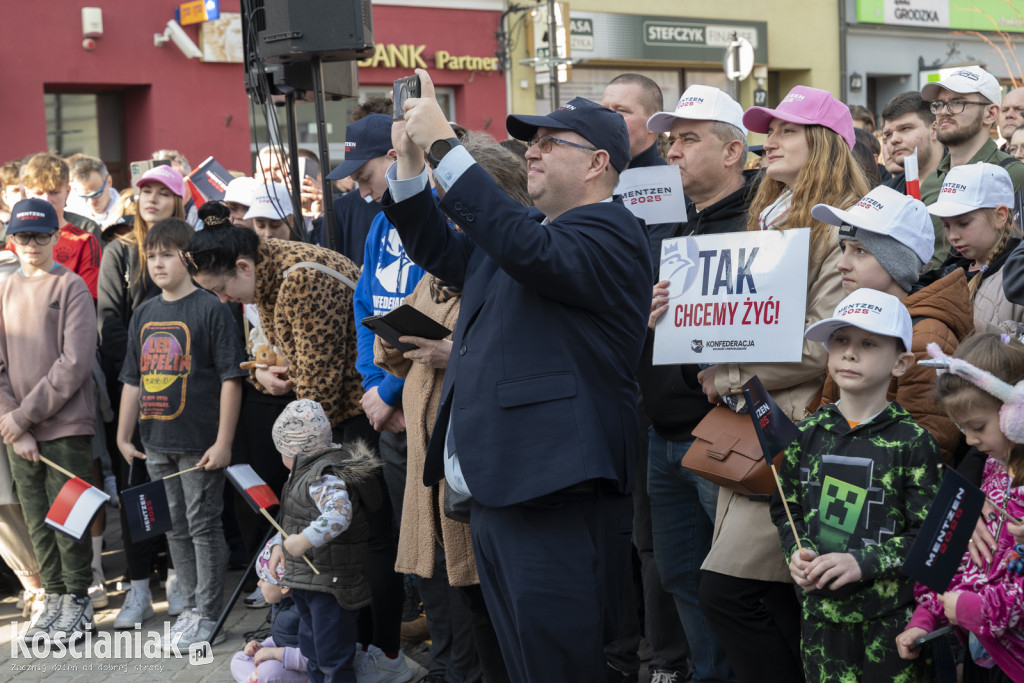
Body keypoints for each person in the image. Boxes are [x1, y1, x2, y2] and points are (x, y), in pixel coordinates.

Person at [386, 68, 651, 682]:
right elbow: (438, 247)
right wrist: (408, 162)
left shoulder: (614, 231)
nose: (530, 151)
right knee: (524, 663)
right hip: (499, 485)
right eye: (530, 142)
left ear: (597, 164)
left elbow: (518, 245)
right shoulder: (531, 236)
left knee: (559, 664)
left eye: (549, 142)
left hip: (553, 485)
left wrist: (447, 149)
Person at [182, 215, 410, 682]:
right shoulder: (266, 275)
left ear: (242, 266)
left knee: (367, 538)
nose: (223, 300)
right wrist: (260, 374)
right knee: (343, 540)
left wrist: (296, 459)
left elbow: (320, 392)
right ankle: (344, 645)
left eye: (222, 289)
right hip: (332, 419)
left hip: (354, 420)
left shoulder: (300, 279)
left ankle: (383, 651)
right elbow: (269, 353)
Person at [695, 85, 869, 683]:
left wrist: (730, 370)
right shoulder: (770, 217)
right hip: (757, 425)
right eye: (770, 130)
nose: (770, 141)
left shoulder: (841, 223)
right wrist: (683, 318)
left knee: (729, 591)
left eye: (787, 131)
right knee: (765, 597)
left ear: (824, 144)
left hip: (796, 428)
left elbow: (827, 341)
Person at [374, 133, 523, 683]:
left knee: (482, 590)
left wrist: (449, 349)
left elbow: (510, 344)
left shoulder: (518, 259)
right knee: (443, 583)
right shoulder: (450, 264)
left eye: (454, 205)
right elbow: (390, 343)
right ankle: (456, 669)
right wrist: (401, 342)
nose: (449, 219)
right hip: (429, 448)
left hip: (480, 451)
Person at [644, 83, 758, 683]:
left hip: (726, 431)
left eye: (689, 139)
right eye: (670, 141)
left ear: (734, 150)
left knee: (731, 582)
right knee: (681, 578)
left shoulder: (763, 223)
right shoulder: (671, 224)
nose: (674, 152)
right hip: (665, 432)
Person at [777, 288, 940, 682]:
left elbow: (928, 536)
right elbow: (786, 509)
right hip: (820, 620)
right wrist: (795, 554)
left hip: (892, 623)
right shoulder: (805, 434)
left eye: (868, 343)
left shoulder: (913, 442)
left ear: (901, 363)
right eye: (841, 341)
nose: (850, 353)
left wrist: (861, 563)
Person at [116, 217, 246, 649]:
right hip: (156, 443)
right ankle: (190, 607)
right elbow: (133, 378)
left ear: (187, 258)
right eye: (151, 256)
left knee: (203, 526)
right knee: (173, 528)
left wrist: (224, 441)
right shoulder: (144, 313)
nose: (157, 263)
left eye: (167, 254)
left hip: (200, 443)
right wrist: (123, 435)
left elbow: (231, 378)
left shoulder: (212, 308)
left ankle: (209, 614)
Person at [600, 72, 692, 683]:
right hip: (610, 375)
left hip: (659, 384)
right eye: (602, 108)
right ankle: (627, 647)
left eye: (621, 110)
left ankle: (667, 658)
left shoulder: (669, 188)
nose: (609, 118)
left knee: (656, 536)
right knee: (622, 531)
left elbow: (659, 279)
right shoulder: (595, 180)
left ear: (651, 121)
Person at [810, 185, 972, 464]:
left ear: (899, 263)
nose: (842, 264)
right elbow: (828, 409)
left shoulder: (925, 338)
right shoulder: (852, 322)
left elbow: (926, 455)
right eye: (843, 249)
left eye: (860, 251)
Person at [897, 333, 1024, 682]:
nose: (969, 441)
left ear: (1018, 412)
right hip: (984, 650)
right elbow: (970, 562)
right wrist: (926, 617)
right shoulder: (994, 470)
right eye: (961, 428)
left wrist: (976, 609)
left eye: (978, 427)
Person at [0, 199, 97, 642]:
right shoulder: (3, 289)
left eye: (41, 235)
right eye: (24, 236)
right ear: (11, 240)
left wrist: (22, 417)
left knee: (67, 518)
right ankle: (54, 598)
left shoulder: (71, 286)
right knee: (37, 519)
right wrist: (13, 422)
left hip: (65, 426)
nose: (32, 244)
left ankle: (78, 601)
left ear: (57, 237)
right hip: (18, 431)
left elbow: (74, 363)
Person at [97, 164, 187, 630]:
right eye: (144, 191)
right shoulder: (120, 251)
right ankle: (136, 588)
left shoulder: (190, 249)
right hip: (135, 390)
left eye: (162, 192)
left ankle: (177, 578)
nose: (150, 199)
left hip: (187, 392)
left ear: (178, 199)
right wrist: (140, 374)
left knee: (181, 489)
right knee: (137, 491)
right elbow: (108, 323)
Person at [267, 399, 381, 683]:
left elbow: (338, 516)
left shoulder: (324, 476)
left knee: (332, 657)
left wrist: (303, 541)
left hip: (331, 584)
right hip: (310, 580)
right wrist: (282, 546)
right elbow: (298, 518)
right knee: (313, 651)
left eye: (281, 451)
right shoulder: (306, 473)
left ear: (295, 451)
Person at [920, 67, 1024, 269]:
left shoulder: (1013, 174)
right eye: (939, 104)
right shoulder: (932, 181)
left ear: (990, 113)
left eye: (957, 102)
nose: (943, 112)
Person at [925, 162, 1023, 331]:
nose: (953, 236)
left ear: (1000, 216)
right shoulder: (949, 271)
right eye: (946, 225)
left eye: (963, 223)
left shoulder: (1017, 275)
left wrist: (985, 332)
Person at [18, 153, 103, 298]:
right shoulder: (13, 237)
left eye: (54, 192)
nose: (46, 200)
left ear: (67, 191)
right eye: (39, 192)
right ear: (27, 192)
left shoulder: (84, 238)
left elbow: (88, 298)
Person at [231, 539, 308, 683]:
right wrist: (262, 647)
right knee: (239, 658)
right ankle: (254, 679)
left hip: (304, 672)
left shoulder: (305, 611)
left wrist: (275, 653)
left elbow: (313, 658)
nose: (258, 584)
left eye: (263, 579)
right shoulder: (280, 604)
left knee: (269, 670)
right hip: (282, 662)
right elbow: (281, 637)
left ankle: (256, 679)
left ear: (284, 587)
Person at [880, 92, 944, 195]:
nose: (894, 140)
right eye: (888, 135)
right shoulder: (886, 193)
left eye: (905, 128)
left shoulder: (959, 183)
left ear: (934, 130)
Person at [67, 155, 120, 228]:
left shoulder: (128, 211)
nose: (90, 202)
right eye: (84, 196)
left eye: (96, 194)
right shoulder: (71, 213)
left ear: (109, 181)